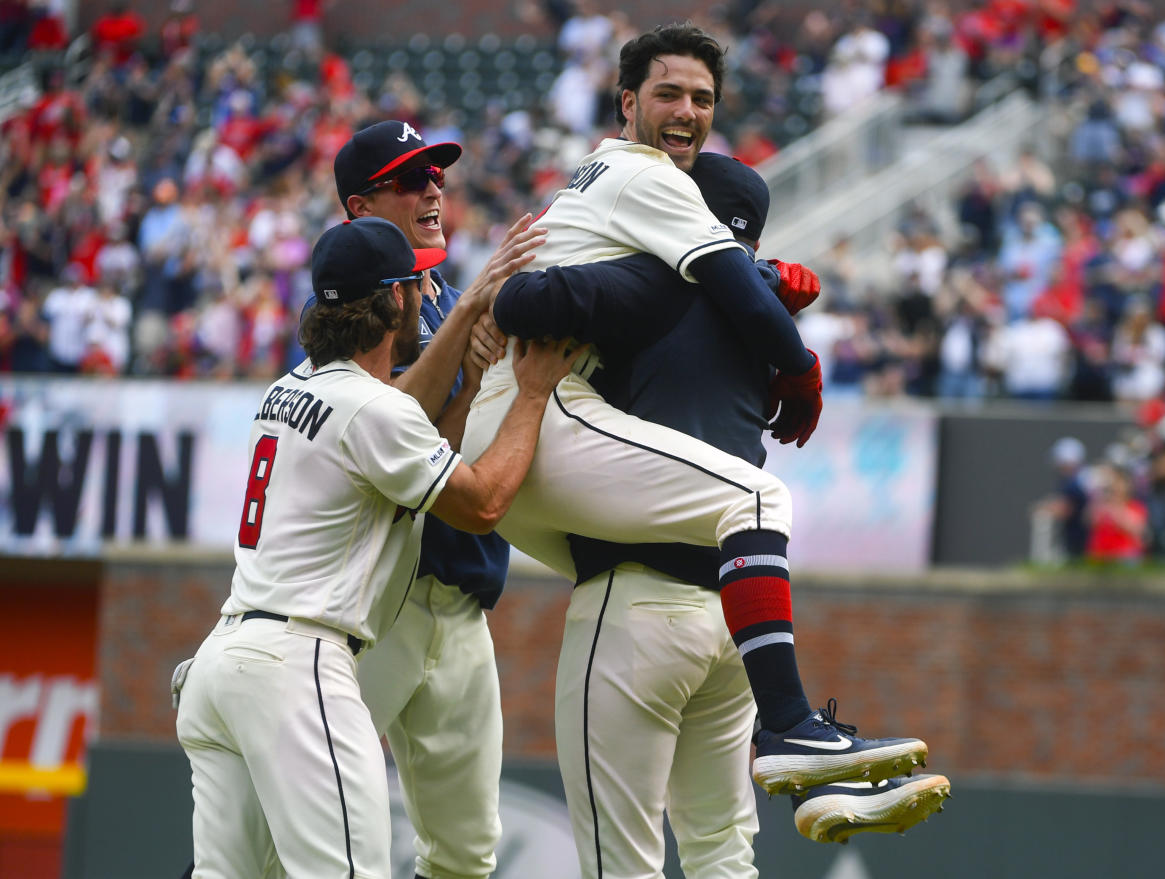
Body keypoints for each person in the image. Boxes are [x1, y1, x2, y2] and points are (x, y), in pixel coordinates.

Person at [462, 21, 929, 815]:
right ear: (627, 102)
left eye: (702, 97)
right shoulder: (660, 200)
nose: (687, 108)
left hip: (595, 535)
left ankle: (801, 752)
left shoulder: (639, 226)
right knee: (754, 499)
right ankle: (791, 730)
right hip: (560, 453)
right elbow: (539, 296)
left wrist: (494, 298)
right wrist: (797, 356)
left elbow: (532, 295)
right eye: (671, 92)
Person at [173, 216, 577, 878]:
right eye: (416, 283)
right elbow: (484, 504)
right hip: (299, 666)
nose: (426, 293)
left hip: (222, 663)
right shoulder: (374, 409)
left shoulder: (288, 389)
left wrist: (470, 385)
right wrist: (531, 394)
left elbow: (401, 466)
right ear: (394, 298)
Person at [330, 119, 541, 879]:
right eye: (409, 178)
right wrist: (469, 313)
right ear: (360, 206)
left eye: (436, 174)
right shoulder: (351, 298)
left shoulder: (449, 289)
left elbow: (437, 449)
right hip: (375, 601)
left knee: (465, 856)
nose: (433, 188)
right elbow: (387, 432)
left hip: (461, 601)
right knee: (281, 839)